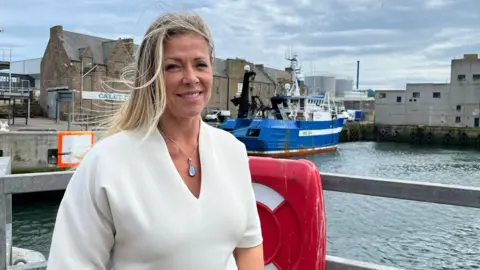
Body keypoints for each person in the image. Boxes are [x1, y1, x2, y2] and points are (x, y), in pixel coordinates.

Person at [47, 11, 264, 270]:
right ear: (150, 77)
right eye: (173, 66)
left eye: (200, 64)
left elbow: (249, 246)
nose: (191, 78)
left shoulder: (233, 152)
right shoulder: (107, 162)